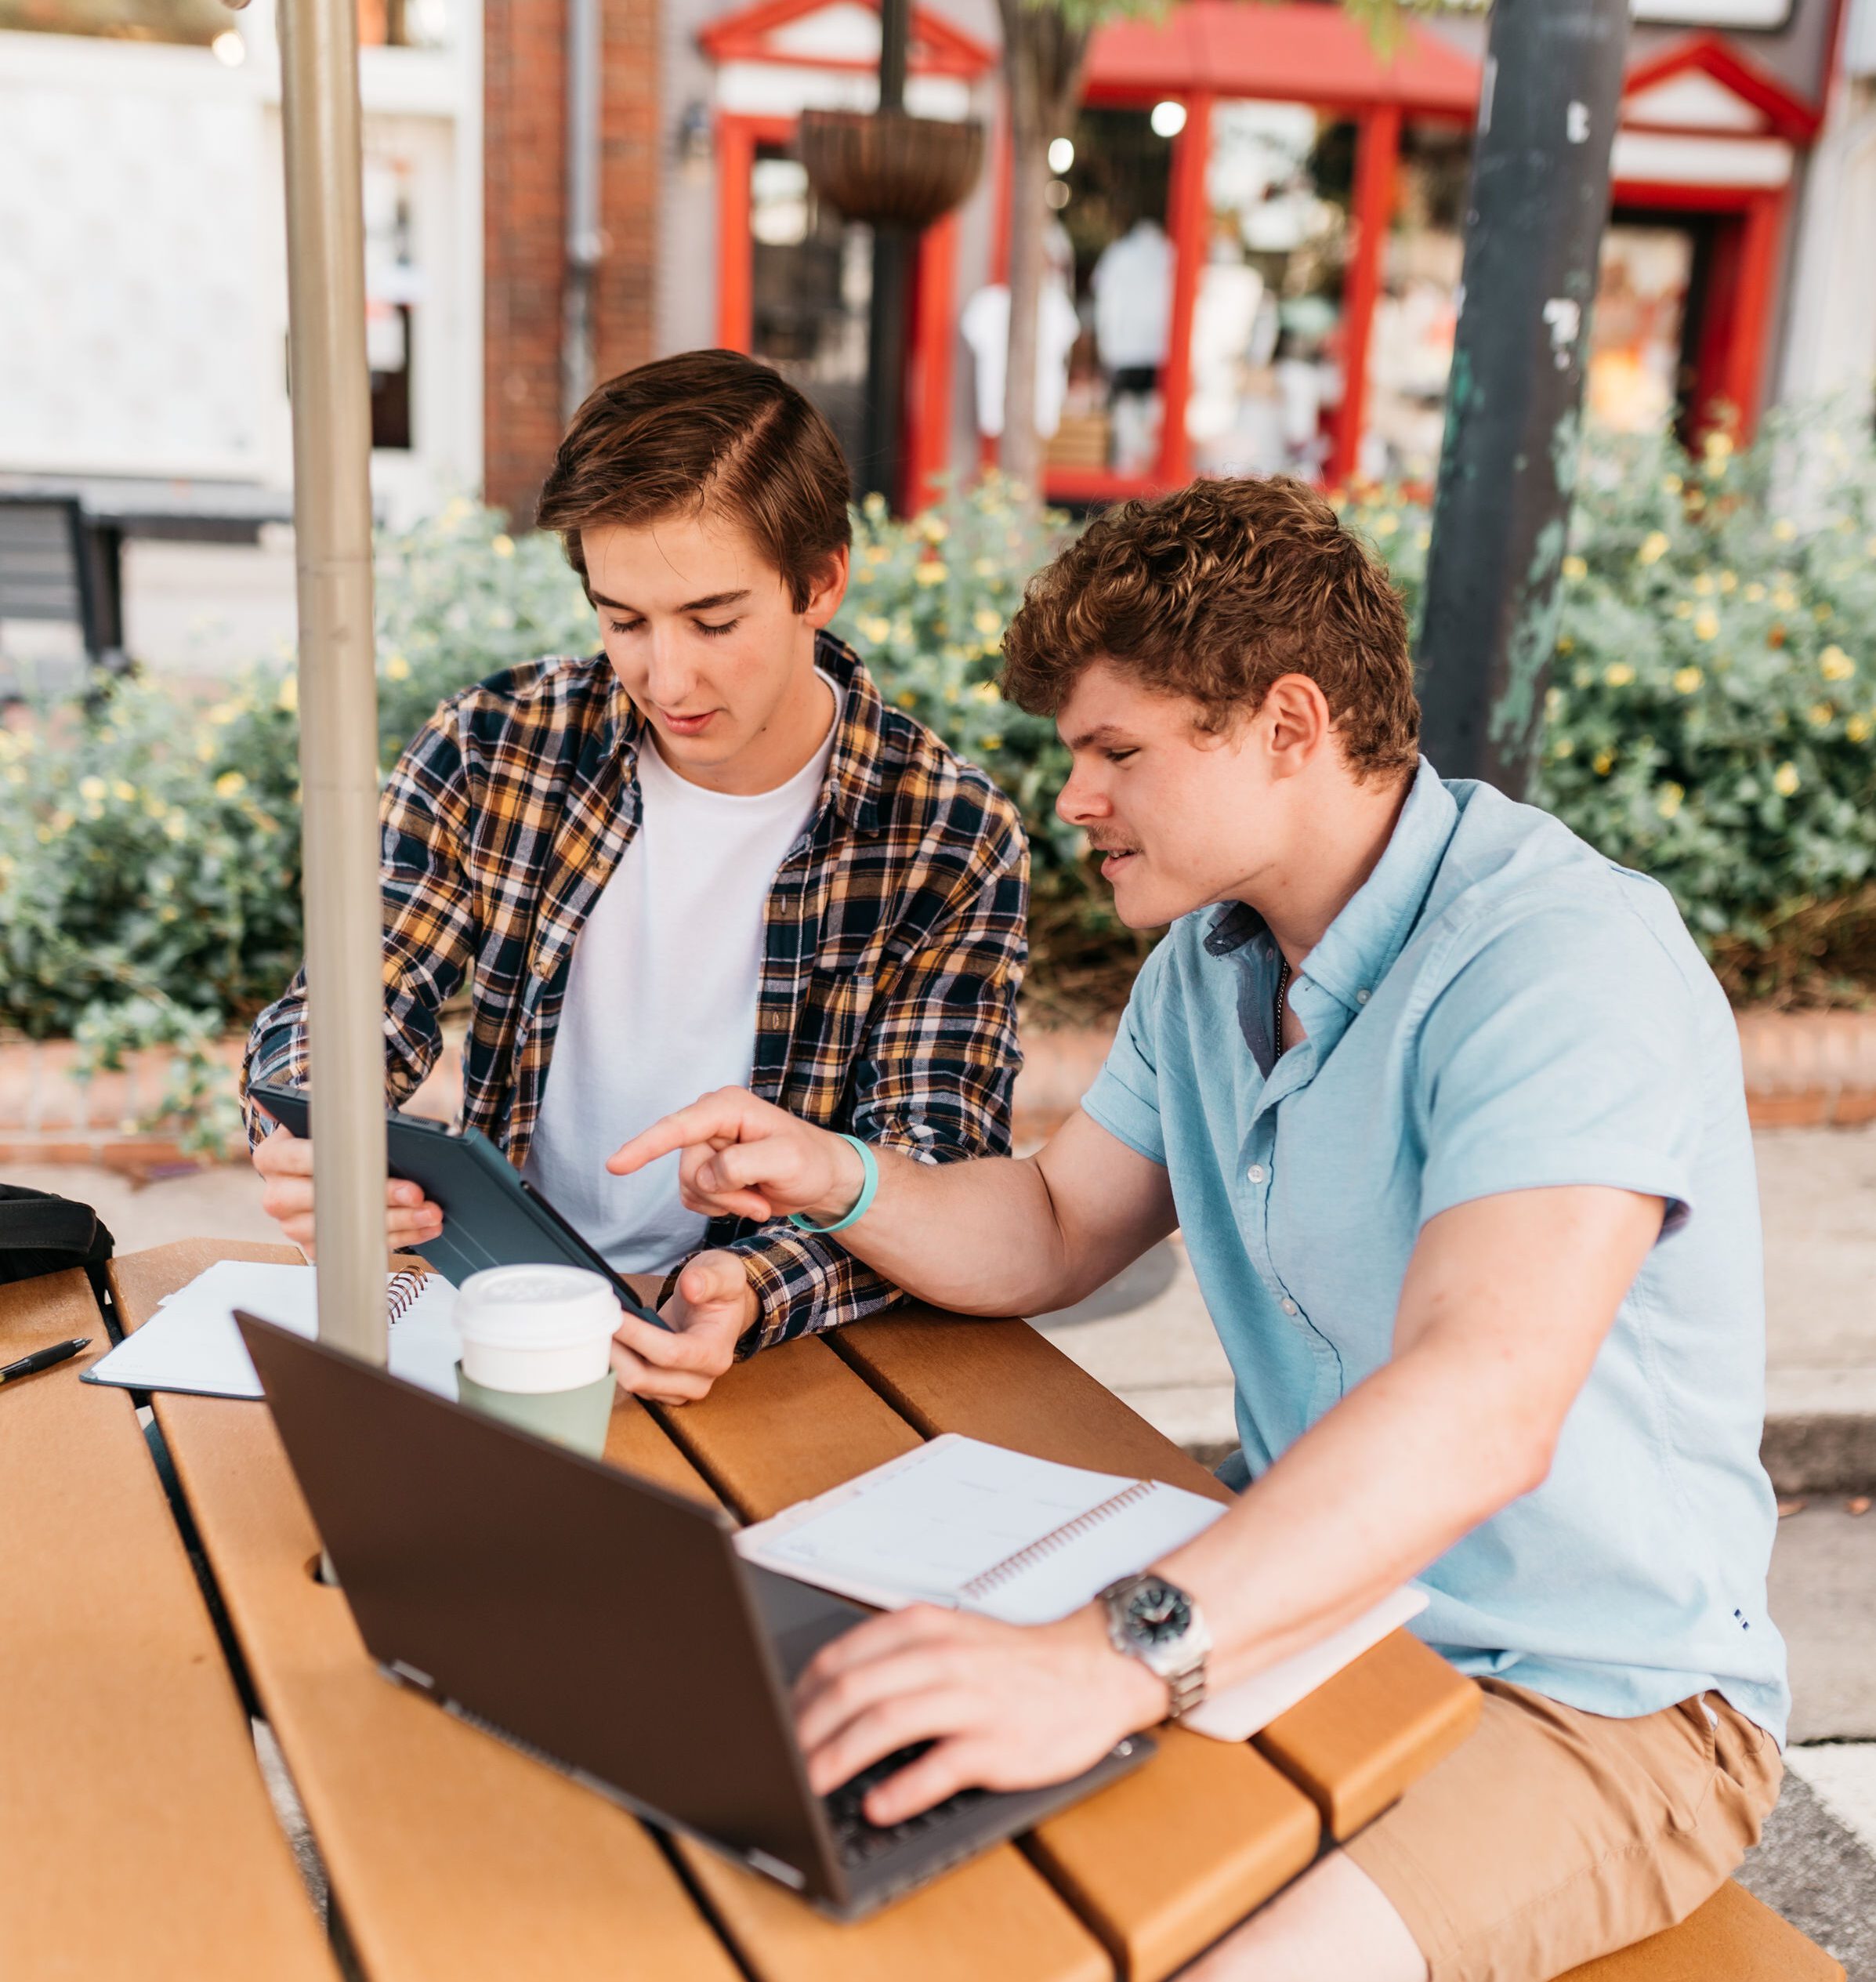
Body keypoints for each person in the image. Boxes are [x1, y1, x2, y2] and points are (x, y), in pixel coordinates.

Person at [611, 476, 1790, 1980]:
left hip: (1595, 1697)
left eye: (1116, 751)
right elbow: (1048, 1223)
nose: (1074, 798)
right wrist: (831, 1173)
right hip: (1313, 1615)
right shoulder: (1211, 958)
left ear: (1291, 726)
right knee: (886, 1849)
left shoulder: (1557, 965)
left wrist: (1108, 1654)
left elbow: (1479, 1404)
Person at [241, 350, 1027, 1405]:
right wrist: (308, 1128)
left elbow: (928, 1168)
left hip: (786, 1355)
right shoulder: (494, 745)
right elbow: (354, 999)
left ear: (821, 582)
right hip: (502, 1308)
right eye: (623, 620)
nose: (666, 675)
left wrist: (748, 1286)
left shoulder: (946, 833)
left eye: (712, 621)